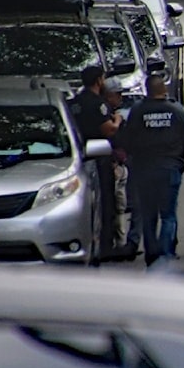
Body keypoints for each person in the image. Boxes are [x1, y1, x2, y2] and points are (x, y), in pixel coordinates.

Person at [124, 74, 184, 267]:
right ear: (163, 89)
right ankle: (166, 253)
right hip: (169, 167)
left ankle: (151, 253)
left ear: (147, 90)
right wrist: (177, 158)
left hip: (144, 168)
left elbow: (127, 138)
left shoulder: (137, 111)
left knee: (149, 214)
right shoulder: (175, 110)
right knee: (168, 214)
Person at [69, 65, 123, 261]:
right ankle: (105, 246)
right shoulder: (97, 104)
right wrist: (117, 120)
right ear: (99, 81)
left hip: (77, 159)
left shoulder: (74, 103)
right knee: (105, 203)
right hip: (98, 159)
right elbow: (109, 130)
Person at [102, 77, 133, 257]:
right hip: (110, 166)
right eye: (117, 94)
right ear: (109, 95)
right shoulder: (107, 117)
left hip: (120, 165)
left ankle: (120, 243)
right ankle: (112, 244)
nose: (120, 98)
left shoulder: (118, 115)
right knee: (114, 205)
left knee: (121, 205)